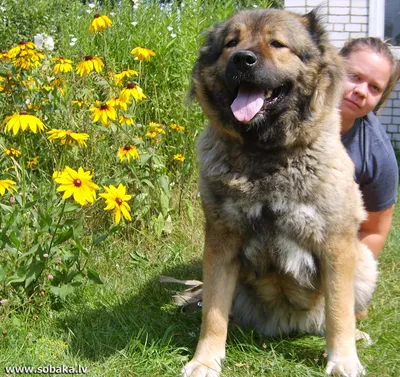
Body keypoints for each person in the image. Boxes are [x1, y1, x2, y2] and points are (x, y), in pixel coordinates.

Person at [339, 37, 400, 258]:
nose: (362, 91)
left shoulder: (377, 155)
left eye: (375, 88)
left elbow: (374, 231)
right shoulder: (282, 114)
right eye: (355, 77)